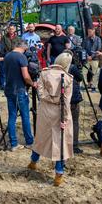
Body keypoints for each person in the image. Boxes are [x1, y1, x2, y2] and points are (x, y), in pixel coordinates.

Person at [28, 52, 74, 187]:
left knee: (41, 137)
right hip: (59, 111)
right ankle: (59, 173)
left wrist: (49, 99)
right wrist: (65, 118)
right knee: (60, 143)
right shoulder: (68, 78)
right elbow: (66, 101)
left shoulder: (44, 73)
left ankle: (33, 161)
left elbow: (40, 93)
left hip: (45, 110)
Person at [4, 40, 35, 150]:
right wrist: (33, 83)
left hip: (9, 89)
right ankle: (30, 141)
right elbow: (26, 76)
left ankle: (13, 143)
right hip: (19, 90)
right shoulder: (21, 57)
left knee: (12, 117)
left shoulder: (7, 56)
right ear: (23, 47)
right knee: (25, 116)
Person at [64, 50, 84, 154]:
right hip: (72, 98)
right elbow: (80, 78)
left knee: (63, 121)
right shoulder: (73, 68)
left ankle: (63, 143)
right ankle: (74, 145)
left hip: (63, 98)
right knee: (74, 121)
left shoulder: (58, 68)